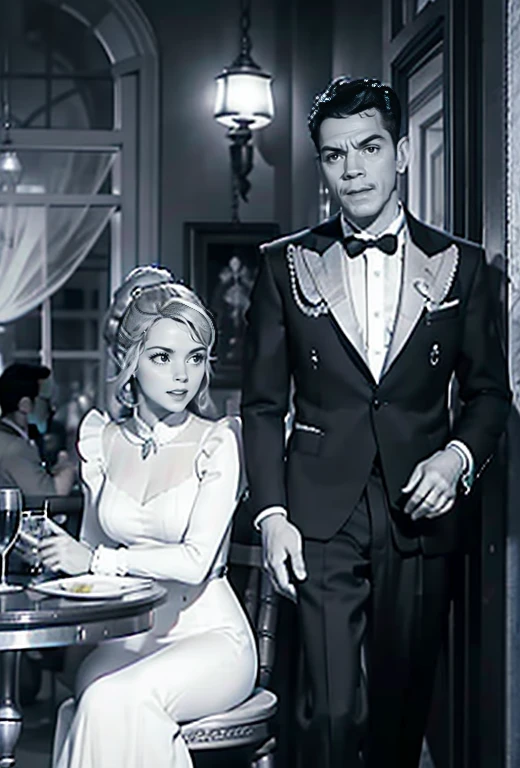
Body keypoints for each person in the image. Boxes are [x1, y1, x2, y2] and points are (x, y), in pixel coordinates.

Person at [241, 77, 511, 768]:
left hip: (419, 513)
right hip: (320, 514)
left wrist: (456, 459)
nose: (352, 168)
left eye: (367, 148)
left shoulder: (463, 267)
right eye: (334, 156)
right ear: (322, 166)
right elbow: (264, 406)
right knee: (332, 710)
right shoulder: (285, 266)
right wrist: (272, 514)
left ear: (400, 154)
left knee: (401, 706)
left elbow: (488, 397)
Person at [42, 265, 257, 768]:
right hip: (130, 635)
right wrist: (60, 556)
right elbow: (86, 559)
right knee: (94, 694)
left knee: (118, 700)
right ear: (132, 361)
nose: (183, 375)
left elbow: (195, 562)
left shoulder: (219, 441)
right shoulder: (101, 440)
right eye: (163, 357)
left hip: (211, 638)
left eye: (195, 358)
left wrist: (96, 561)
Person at [0, 363, 75, 498]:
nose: (52, 409)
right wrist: (67, 466)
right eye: (45, 401)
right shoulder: (15, 448)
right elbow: (52, 494)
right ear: (25, 405)